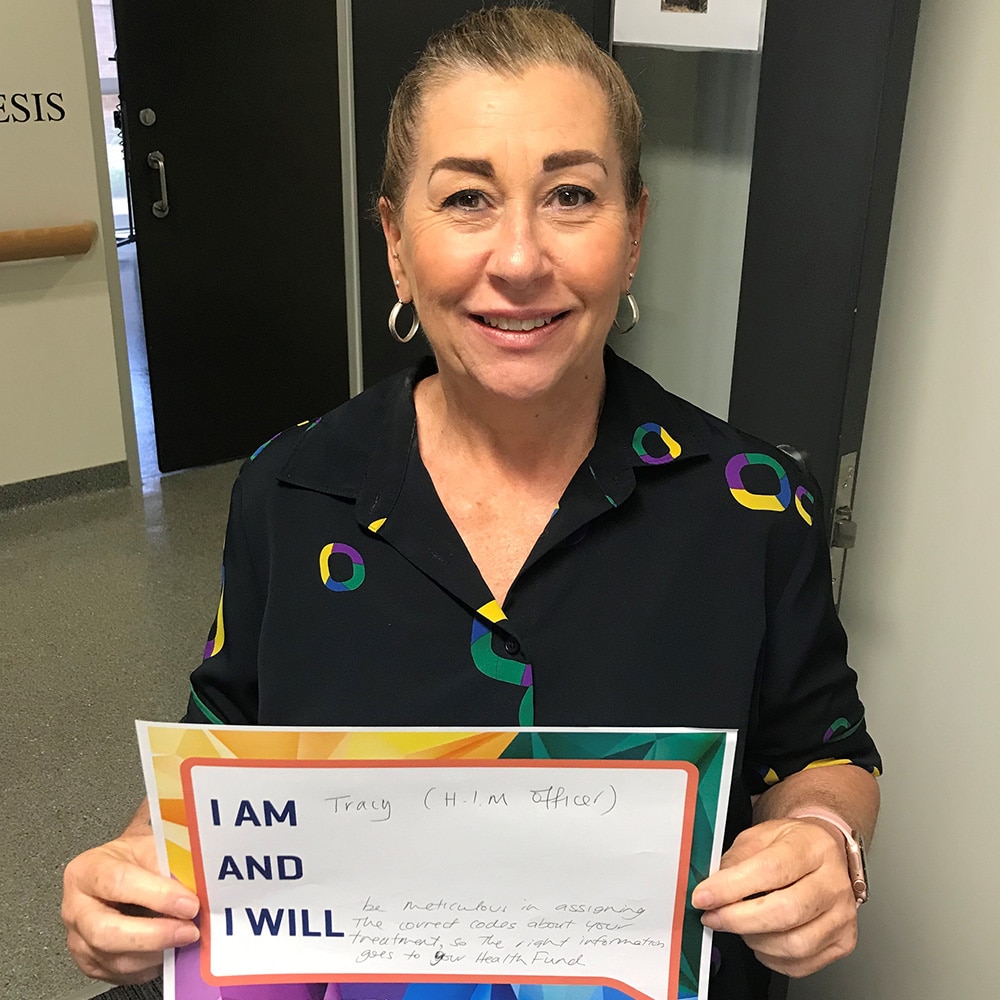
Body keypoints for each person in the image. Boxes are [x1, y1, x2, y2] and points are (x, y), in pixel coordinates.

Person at [62, 7, 880, 998]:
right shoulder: (290, 488)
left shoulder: (751, 505)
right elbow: (227, 728)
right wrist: (136, 867)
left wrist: (824, 838)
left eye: (571, 195)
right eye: (466, 199)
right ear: (396, 243)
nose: (520, 259)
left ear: (632, 233)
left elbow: (824, 750)